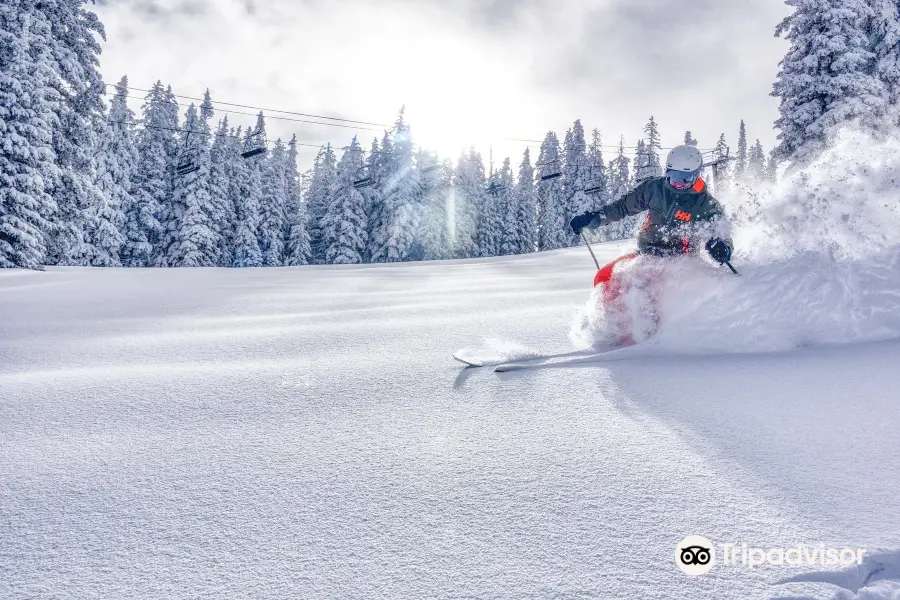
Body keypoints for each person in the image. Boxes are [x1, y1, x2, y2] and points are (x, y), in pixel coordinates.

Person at [568, 144, 734, 344]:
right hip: (646, 253)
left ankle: (650, 343)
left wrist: (721, 247)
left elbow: (721, 232)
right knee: (604, 276)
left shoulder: (706, 205)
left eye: (685, 178)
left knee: (641, 285)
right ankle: (610, 333)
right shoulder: (654, 188)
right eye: (673, 176)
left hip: (679, 260)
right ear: (667, 171)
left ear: (697, 175)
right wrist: (594, 218)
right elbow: (622, 207)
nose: (678, 184)